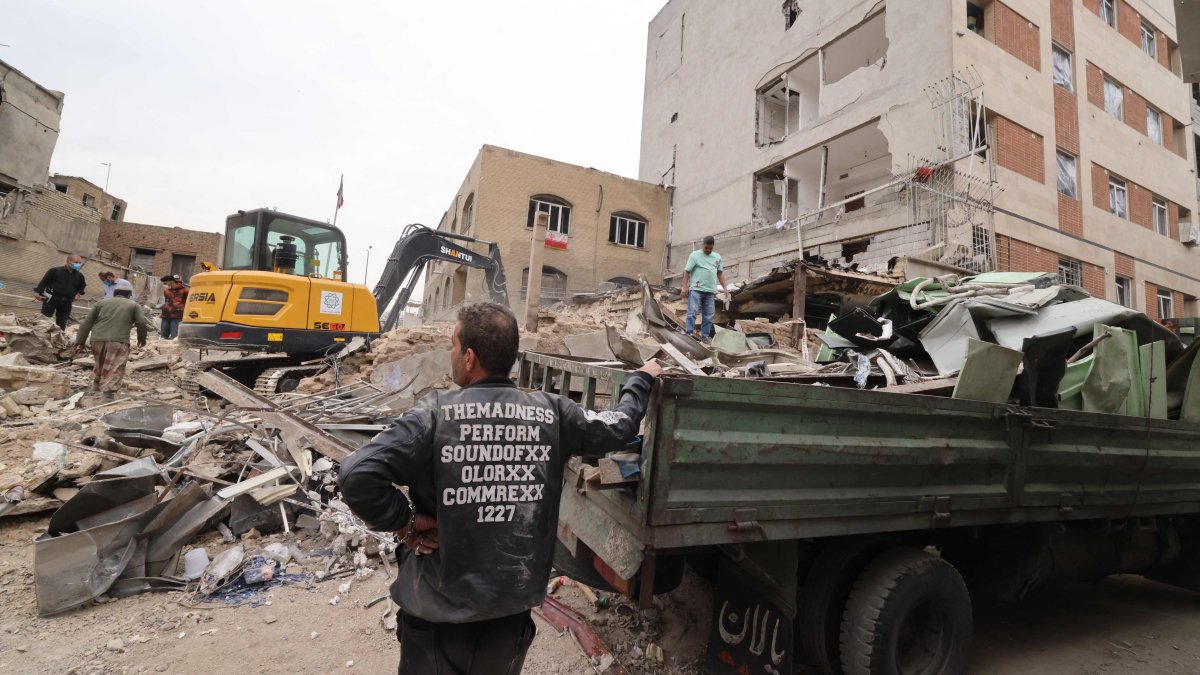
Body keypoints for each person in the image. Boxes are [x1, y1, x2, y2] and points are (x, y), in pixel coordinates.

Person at [338, 302, 662, 674]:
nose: (451, 354)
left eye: (453, 346)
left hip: (437, 618)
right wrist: (642, 379)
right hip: (509, 616)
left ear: (470, 357)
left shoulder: (433, 415)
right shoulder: (554, 413)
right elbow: (617, 426)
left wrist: (406, 523)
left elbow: (357, 473)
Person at [74, 286, 151, 401]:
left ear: (115, 294)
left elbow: (86, 323)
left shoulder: (100, 303)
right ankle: (108, 395)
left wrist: (79, 342)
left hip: (97, 339)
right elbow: (141, 322)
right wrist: (142, 338)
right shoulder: (133, 305)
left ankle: (95, 386)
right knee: (115, 366)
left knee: (100, 362)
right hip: (118, 341)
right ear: (129, 296)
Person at [679, 235, 728, 342]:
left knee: (709, 315)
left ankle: (705, 336)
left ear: (713, 246)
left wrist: (725, 287)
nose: (708, 250)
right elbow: (687, 271)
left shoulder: (717, 257)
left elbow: (720, 273)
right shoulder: (694, 255)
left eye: (710, 248)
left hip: (710, 291)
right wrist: (684, 287)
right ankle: (688, 334)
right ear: (703, 245)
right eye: (706, 248)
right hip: (696, 290)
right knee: (692, 312)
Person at [33, 255, 87, 330]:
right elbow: (44, 282)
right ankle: (40, 335)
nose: (78, 264)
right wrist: (37, 293)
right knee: (44, 320)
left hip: (67, 302)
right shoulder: (54, 271)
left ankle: (58, 339)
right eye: (76, 262)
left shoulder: (79, 276)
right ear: (68, 261)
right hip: (51, 299)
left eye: (79, 263)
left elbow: (82, 286)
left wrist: (78, 294)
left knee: (62, 323)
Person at [160, 274, 189, 339]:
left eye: (166, 282)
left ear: (171, 281)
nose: (166, 284)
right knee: (163, 336)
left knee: (175, 336)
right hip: (165, 315)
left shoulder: (185, 290)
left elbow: (189, 302)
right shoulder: (166, 291)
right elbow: (166, 302)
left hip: (177, 316)